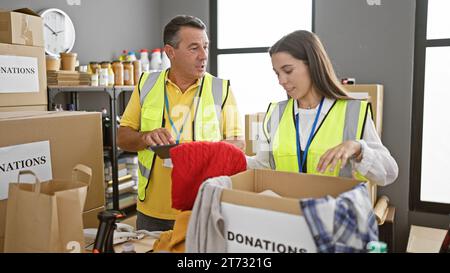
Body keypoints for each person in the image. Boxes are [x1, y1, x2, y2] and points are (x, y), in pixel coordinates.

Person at [117, 15, 244, 231]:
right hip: (152, 212)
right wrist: (145, 137)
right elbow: (123, 138)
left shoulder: (221, 89)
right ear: (170, 52)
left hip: (203, 206)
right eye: (194, 48)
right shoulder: (146, 84)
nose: (203, 55)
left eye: (205, 46)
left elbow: (238, 144)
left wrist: (197, 154)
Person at [247, 30, 398, 186]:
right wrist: (229, 155)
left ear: (313, 64)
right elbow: (262, 166)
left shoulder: (353, 113)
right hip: (288, 209)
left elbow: (389, 173)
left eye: (288, 70)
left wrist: (358, 149)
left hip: (334, 209)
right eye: (277, 73)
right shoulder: (275, 113)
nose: (281, 81)